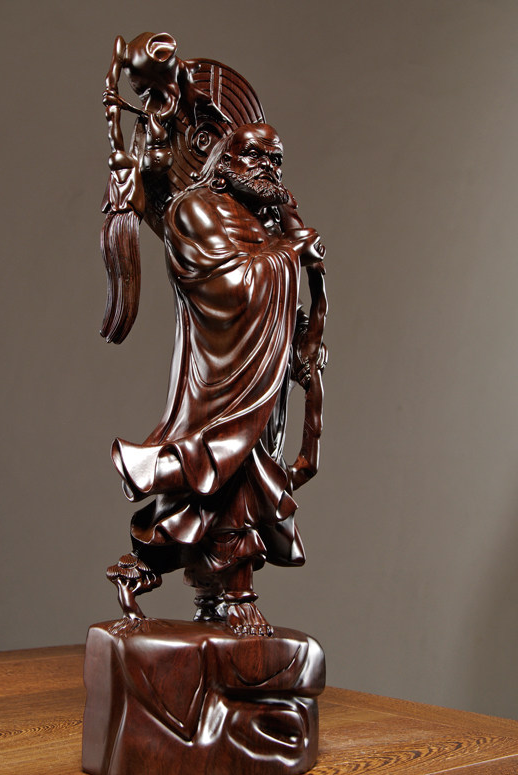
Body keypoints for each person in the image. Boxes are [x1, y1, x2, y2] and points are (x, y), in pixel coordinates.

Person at [107, 123, 325, 636]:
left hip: (262, 377)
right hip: (220, 378)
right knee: (220, 473)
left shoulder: (263, 223)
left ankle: (201, 596)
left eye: (276, 158)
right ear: (223, 162)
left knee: (238, 478)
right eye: (255, 154)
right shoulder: (194, 209)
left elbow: (286, 303)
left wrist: (304, 330)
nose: (269, 166)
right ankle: (235, 596)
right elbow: (227, 286)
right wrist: (290, 253)